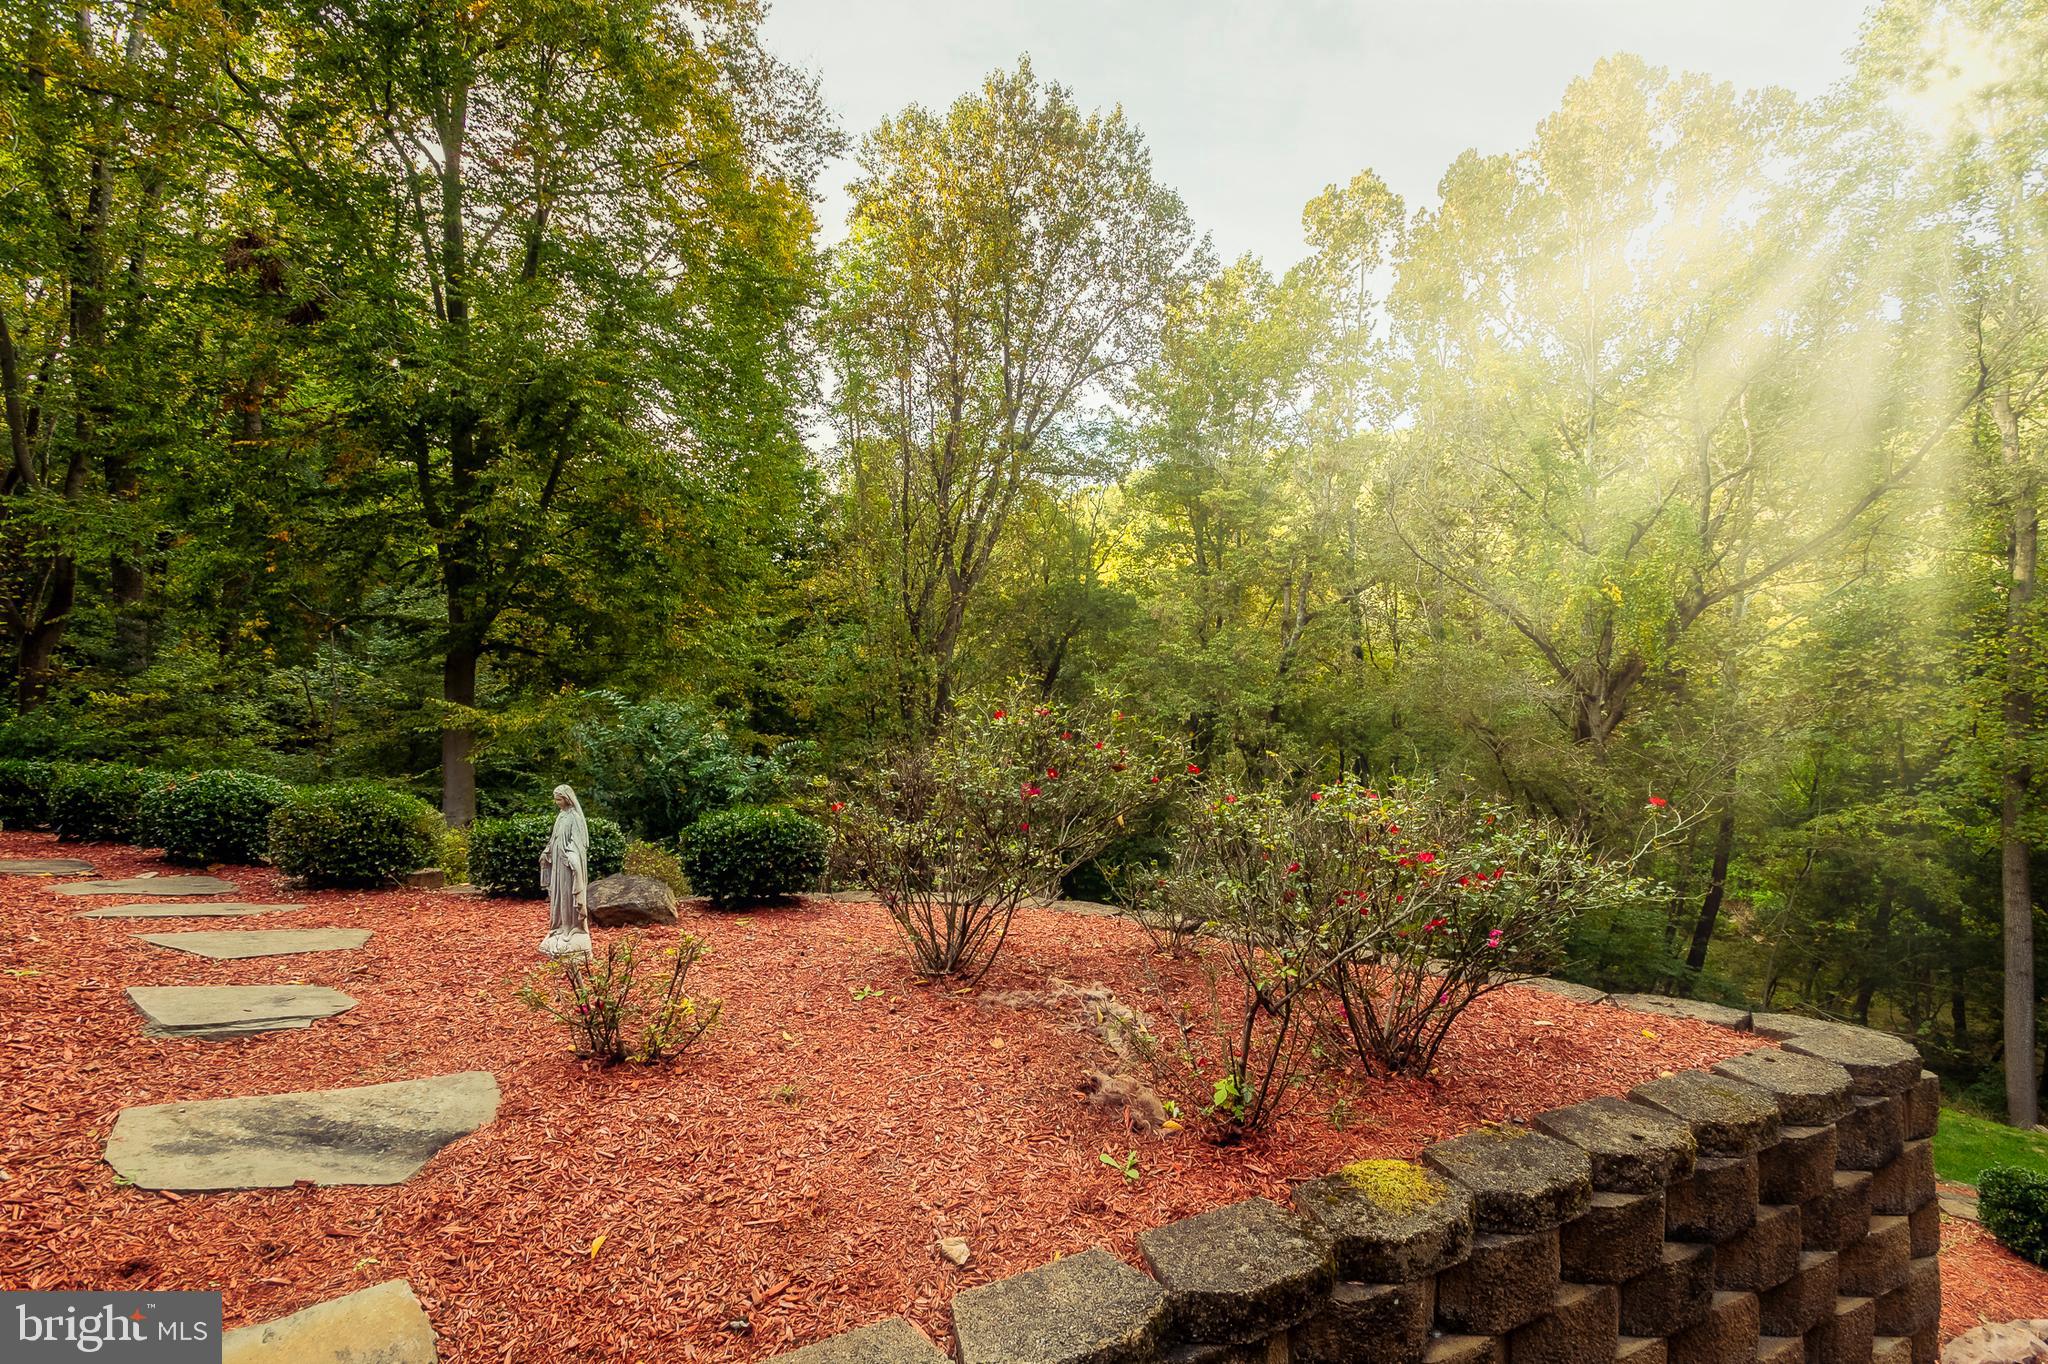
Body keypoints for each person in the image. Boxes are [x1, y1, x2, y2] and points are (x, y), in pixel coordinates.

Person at [538, 785, 592, 958]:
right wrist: (547, 851)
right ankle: (559, 927)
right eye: (555, 799)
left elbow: (578, 843)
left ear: (567, 799)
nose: (557, 802)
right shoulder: (561, 816)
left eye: (559, 799)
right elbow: (555, 839)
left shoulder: (574, 817)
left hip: (568, 865)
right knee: (559, 896)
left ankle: (570, 928)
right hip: (557, 865)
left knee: (568, 896)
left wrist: (571, 856)